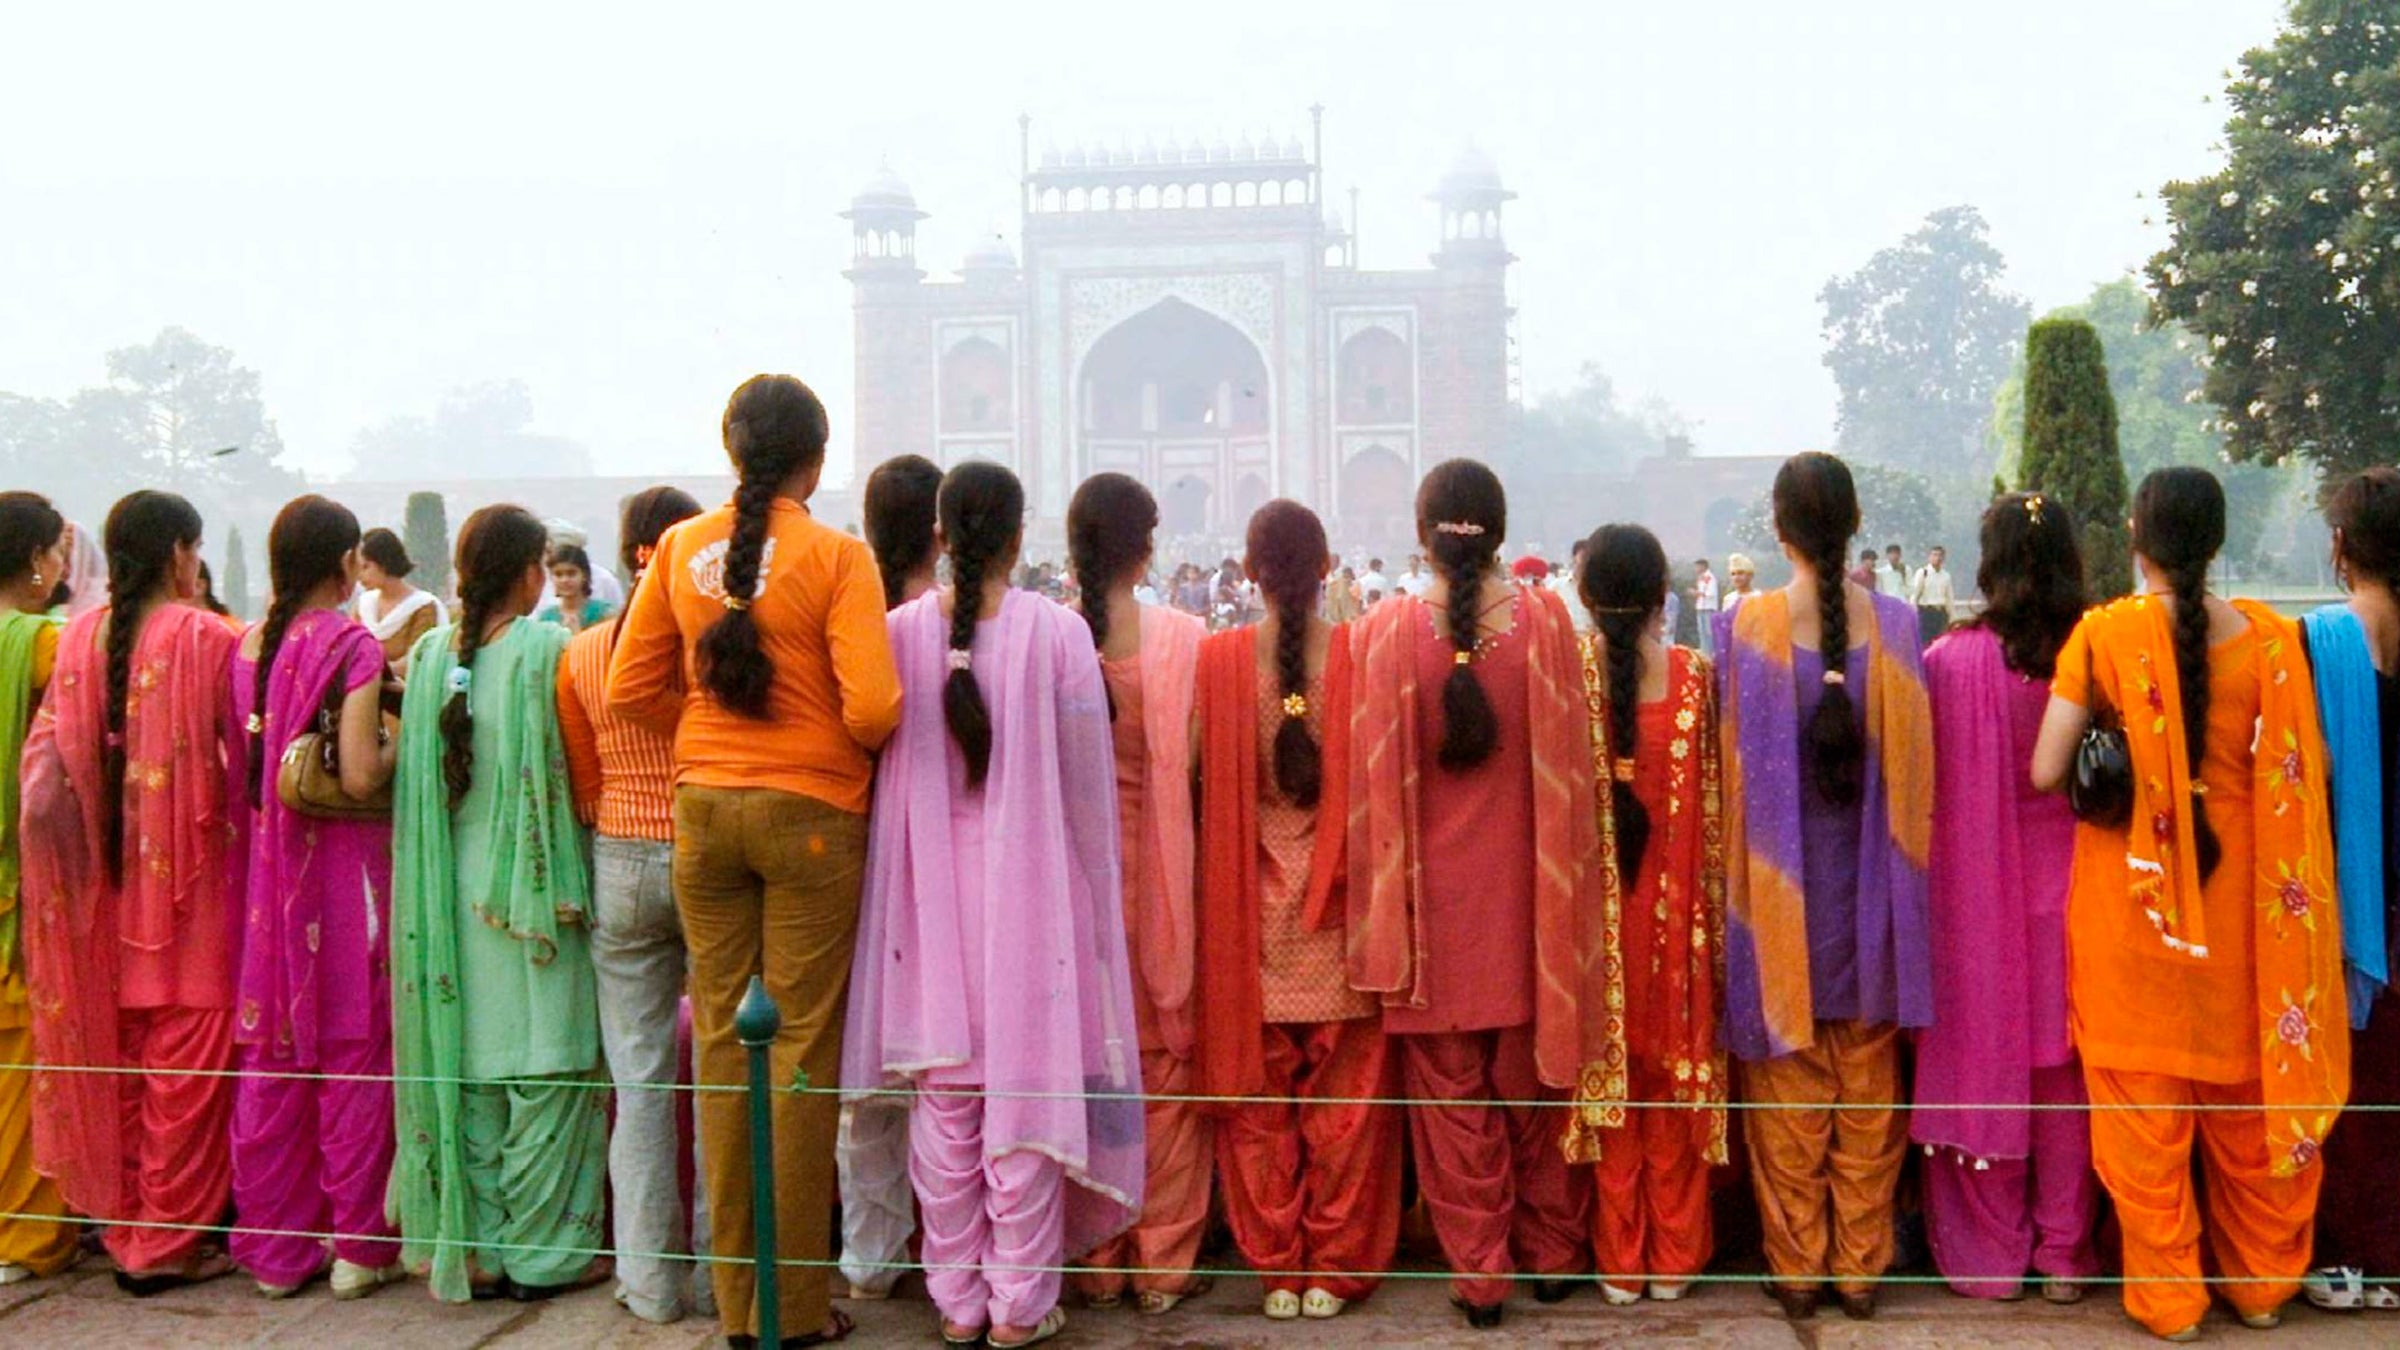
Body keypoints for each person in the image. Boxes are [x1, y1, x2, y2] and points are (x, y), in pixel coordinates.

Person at [608, 374, 901, 1346]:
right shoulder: (835, 556)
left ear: (735, 453)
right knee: (800, 1059)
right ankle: (796, 1308)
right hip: (812, 817)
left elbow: (631, 681)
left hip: (704, 815)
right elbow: (872, 710)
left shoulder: (684, 549)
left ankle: (743, 1308)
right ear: (815, 461)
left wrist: (705, 735)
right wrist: (813, 747)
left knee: (726, 1054)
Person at [2032, 467, 2347, 1341]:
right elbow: (2310, 774)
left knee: (2143, 1119)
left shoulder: (2103, 636)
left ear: (2137, 537)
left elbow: (2047, 770)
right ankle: (2258, 1288)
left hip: (2134, 915)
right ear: (2216, 541)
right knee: (2246, 1111)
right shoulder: (2272, 639)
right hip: (2246, 918)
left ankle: (2171, 1303)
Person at [843, 461, 1142, 1349]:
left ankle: (958, 1301)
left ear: (941, 535)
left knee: (947, 1108)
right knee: (1025, 1097)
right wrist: (1092, 892)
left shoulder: (896, 633)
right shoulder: (1055, 635)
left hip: (929, 912)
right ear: (1019, 536)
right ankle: (1018, 1303)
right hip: (1030, 904)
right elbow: (1090, 794)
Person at [1345, 459, 1597, 1328]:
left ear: (1422, 536)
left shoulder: (1385, 631)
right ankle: (1554, 1253)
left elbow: (1369, 797)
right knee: (1532, 1097)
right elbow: (1575, 776)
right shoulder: (1548, 622)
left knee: (1454, 1117)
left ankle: (1481, 1277)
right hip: (1530, 919)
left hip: (1431, 934)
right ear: (1498, 531)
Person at [1720, 453, 1933, 1322]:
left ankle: (1798, 1269)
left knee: (1789, 1103)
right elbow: (1918, 783)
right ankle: (1858, 1271)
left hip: (1782, 913)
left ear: (1778, 529)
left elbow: (1729, 777)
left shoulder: (1749, 626)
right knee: (1869, 1103)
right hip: (1875, 909)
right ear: (1851, 526)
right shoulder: (1900, 627)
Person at [20, 490, 243, 1293]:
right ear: (182, 553)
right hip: (194, 909)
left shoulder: (77, 639)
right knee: (185, 1081)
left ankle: (126, 1237)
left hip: (100, 913)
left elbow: (42, 789)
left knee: (121, 1075)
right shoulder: (212, 636)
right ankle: (165, 1245)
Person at [391, 505, 606, 1304]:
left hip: (450, 900)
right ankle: (546, 1257)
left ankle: (475, 1251)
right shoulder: (550, 649)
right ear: (528, 574)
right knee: (548, 1070)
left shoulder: (426, 655)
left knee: (471, 1076)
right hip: (532, 896)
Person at [1196, 500, 1400, 1322]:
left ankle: (1277, 1268)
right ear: (1328, 571)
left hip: (1251, 935)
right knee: (1345, 1116)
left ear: (1249, 575)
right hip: (1344, 928)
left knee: (1258, 1113)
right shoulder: (1360, 656)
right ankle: (1335, 1266)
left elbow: (1198, 785)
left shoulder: (1219, 665)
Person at [1912, 494, 2100, 1302]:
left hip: (1976, 907)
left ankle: (1992, 1255)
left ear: (1987, 562)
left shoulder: (1949, 663)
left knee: (1988, 1068)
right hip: (2076, 898)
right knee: (2063, 1081)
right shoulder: (2094, 654)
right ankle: (2064, 1256)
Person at [230, 495, 406, 1301]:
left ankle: (274, 1250)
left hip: (270, 883)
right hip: (342, 880)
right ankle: (358, 1251)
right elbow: (364, 774)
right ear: (345, 564)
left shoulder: (249, 645)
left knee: (276, 1058)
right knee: (354, 1057)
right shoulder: (352, 644)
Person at [1562, 524, 1727, 1307]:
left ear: (1587, 598)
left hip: (1599, 933)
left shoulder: (1569, 676)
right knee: (1670, 1089)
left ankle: (1620, 1261)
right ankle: (1675, 1259)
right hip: (1678, 925)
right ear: (1666, 597)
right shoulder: (1696, 677)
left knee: (1615, 1091)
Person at [557, 485, 711, 1325]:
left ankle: (651, 1283)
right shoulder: (707, 649)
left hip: (620, 858)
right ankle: (732, 1275)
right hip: (706, 854)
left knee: (641, 1082)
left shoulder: (579, 654)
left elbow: (585, 790)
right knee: (726, 1076)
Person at [1062, 473, 1209, 1313]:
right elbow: (1190, 765)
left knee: (1088, 1075)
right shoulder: (1180, 639)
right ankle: (1160, 1264)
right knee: (1165, 1075)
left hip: (1075, 890)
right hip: (1159, 889)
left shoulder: (1052, 640)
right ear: (1149, 547)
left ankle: (1097, 1256)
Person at [834, 451, 944, 1303]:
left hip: (858, 855)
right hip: (942, 863)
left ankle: (872, 1253)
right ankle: (952, 1243)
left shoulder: (854, 610)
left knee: (868, 1074)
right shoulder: (956, 621)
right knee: (943, 1067)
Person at [2304, 466, 2400, 1312]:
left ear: (2341, 548)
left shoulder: (2318, 643)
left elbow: (2310, 770)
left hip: (2345, 902)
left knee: (2349, 1088)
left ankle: (2344, 1260)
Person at [0, 494, 76, 1286]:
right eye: (55, 551)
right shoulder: (42, 644)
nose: (60, 566)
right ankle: (23, 1238)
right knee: (25, 1063)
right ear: (31, 559)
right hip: (19, 884)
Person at [357, 528, 448, 673]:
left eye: (365, 567)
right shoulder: (363, 605)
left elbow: (418, 659)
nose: (359, 575)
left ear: (383, 562)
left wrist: (371, 672)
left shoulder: (422, 607)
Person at [537, 543, 616, 634]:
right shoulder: (546, 619)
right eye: (558, 574)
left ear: (584, 575)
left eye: (571, 573)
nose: (565, 580)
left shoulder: (604, 614)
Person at [1911, 545, 1956, 647]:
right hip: (1927, 612)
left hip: (1940, 613)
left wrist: (1952, 617)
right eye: (1935, 555)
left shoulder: (1946, 575)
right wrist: (1914, 614)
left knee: (1941, 643)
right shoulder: (1923, 573)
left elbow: (1949, 597)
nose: (1937, 558)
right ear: (1929, 557)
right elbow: (1915, 595)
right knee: (1926, 642)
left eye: (1940, 555)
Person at [1693, 558, 1719, 657]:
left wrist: (1698, 593)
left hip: (1709, 607)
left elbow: (1710, 593)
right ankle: (1704, 652)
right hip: (1701, 607)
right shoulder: (1701, 578)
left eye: (1697, 566)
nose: (1696, 569)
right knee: (1701, 631)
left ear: (1703, 566)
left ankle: (1711, 653)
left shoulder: (1710, 577)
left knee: (1709, 632)